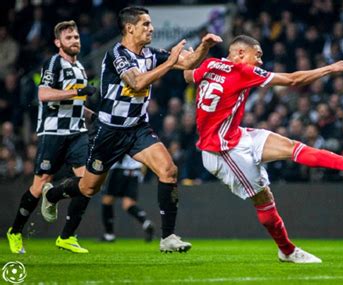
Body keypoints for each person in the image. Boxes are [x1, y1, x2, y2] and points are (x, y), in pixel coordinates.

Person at [184, 35, 343, 263]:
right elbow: (293, 80)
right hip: (221, 151)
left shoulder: (210, 64)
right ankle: (287, 251)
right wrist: (330, 68)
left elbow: (188, 74)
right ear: (241, 53)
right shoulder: (243, 72)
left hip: (236, 135)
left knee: (292, 147)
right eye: (257, 55)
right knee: (264, 199)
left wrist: (199, 50)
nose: (260, 61)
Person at [39, 7, 222, 253]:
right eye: (145, 24)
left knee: (168, 170)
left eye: (150, 24)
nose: (152, 28)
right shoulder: (117, 54)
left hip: (138, 128)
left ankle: (168, 237)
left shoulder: (149, 53)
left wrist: (205, 46)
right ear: (129, 28)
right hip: (109, 131)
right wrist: (169, 62)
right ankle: (52, 195)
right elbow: (137, 83)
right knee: (88, 188)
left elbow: (187, 61)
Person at [6, 20, 96, 254]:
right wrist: (77, 92)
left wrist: (89, 113)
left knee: (88, 184)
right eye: (69, 38)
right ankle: (15, 231)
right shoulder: (53, 63)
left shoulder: (80, 67)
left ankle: (66, 236)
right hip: (53, 132)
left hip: (77, 132)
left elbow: (71, 101)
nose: (74, 41)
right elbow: (44, 94)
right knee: (39, 184)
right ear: (58, 42)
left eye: (76, 37)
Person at [101, 155, 155, 242]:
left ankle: (109, 234)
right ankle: (145, 222)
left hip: (119, 169)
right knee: (128, 204)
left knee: (107, 201)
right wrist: (142, 172)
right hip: (135, 171)